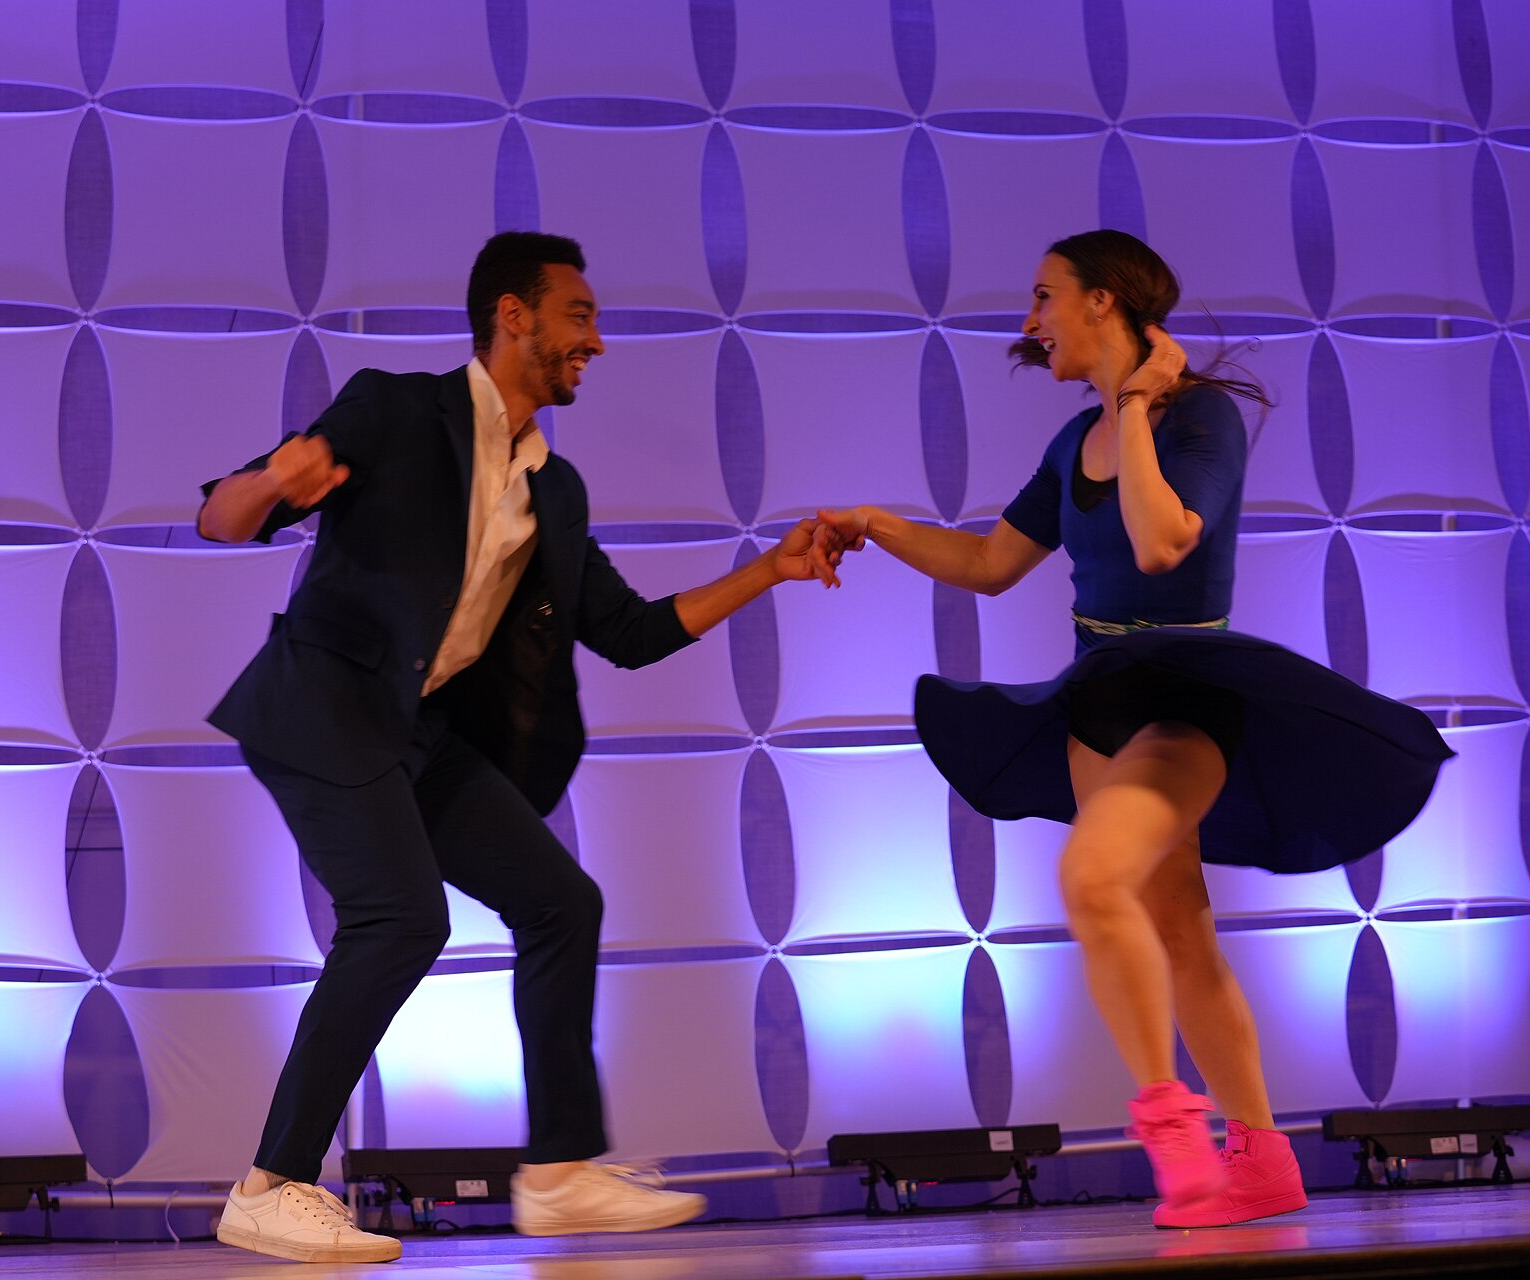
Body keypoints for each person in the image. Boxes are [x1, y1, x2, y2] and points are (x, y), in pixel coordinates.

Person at [196, 231, 840, 1263]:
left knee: (560, 902)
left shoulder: (556, 488)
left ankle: (559, 1173)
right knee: (400, 918)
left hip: (425, 732)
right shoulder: (397, 409)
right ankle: (270, 1185)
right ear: (513, 315)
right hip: (323, 705)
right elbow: (221, 518)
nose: (596, 340)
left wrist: (771, 570)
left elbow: (628, 632)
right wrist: (279, 476)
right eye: (578, 316)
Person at [817, 230, 1452, 1228]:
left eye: (1044, 296)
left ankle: (1172, 1127)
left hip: (1185, 691)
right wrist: (874, 523)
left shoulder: (1200, 419)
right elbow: (988, 563)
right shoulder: (1072, 445)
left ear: (1104, 302)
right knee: (1179, 929)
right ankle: (1263, 1157)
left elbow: (1161, 545)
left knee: (1091, 879)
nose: (1031, 321)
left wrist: (1137, 401)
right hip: (1097, 699)